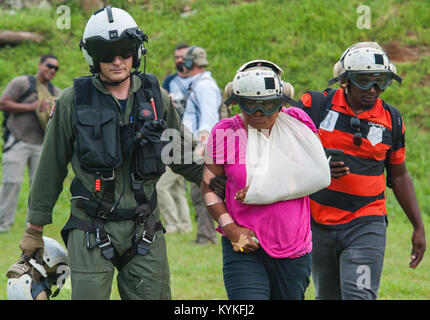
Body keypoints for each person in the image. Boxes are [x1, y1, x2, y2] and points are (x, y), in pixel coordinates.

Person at [17, 6, 202, 300]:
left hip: (145, 228)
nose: (117, 61)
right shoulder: (70, 102)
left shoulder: (157, 98)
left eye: (125, 51)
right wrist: (34, 228)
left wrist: (225, 181)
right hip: (90, 227)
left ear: (137, 51)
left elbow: (184, 156)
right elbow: (50, 169)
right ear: (92, 56)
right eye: (107, 53)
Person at [297, 42, 426, 299]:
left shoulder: (392, 119)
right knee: (327, 295)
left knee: (360, 295)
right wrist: (318, 166)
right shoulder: (316, 105)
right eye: (364, 81)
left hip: (367, 222)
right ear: (345, 80)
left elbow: (399, 175)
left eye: (381, 82)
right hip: (317, 221)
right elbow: (282, 148)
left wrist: (418, 226)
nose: (373, 90)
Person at [202, 60, 331, 300]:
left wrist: (269, 185)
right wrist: (230, 229)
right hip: (243, 247)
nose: (259, 113)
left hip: (293, 247)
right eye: (250, 104)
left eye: (268, 105)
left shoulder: (299, 124)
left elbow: (314, 174)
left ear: (282, 101)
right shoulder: (225, 132)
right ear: (237, 101)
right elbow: (209, 190)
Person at [0, 54, 61, 233]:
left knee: (38, 186)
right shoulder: (22, 83)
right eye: (49, 66)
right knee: (12, 182)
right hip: (17, 140)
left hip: (41, 145)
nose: (52, 70)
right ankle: (3, 225)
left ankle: (33, 227)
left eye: (55, 68)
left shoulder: (55, 92)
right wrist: (32, 106)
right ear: (40, 64)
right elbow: (3, 103)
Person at [177, 45, 222, 244]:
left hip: (203, 145)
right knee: (198, 192)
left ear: (189, 62)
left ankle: (207, 236)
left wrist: (202, 146)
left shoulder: (204, 86)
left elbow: (208, 118)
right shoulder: (199, 84)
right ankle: (204, 235)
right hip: (198, 143)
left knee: (204, 192)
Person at [156, 43, 192, 234]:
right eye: (176, 57)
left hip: (190, 139)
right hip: (172, 138)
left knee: (162, 186)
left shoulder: (200, 82)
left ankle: (172, 224)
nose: (179, 60)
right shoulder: (170, 81)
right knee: (176, 187)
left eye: (183, 56)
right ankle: (185, 226)